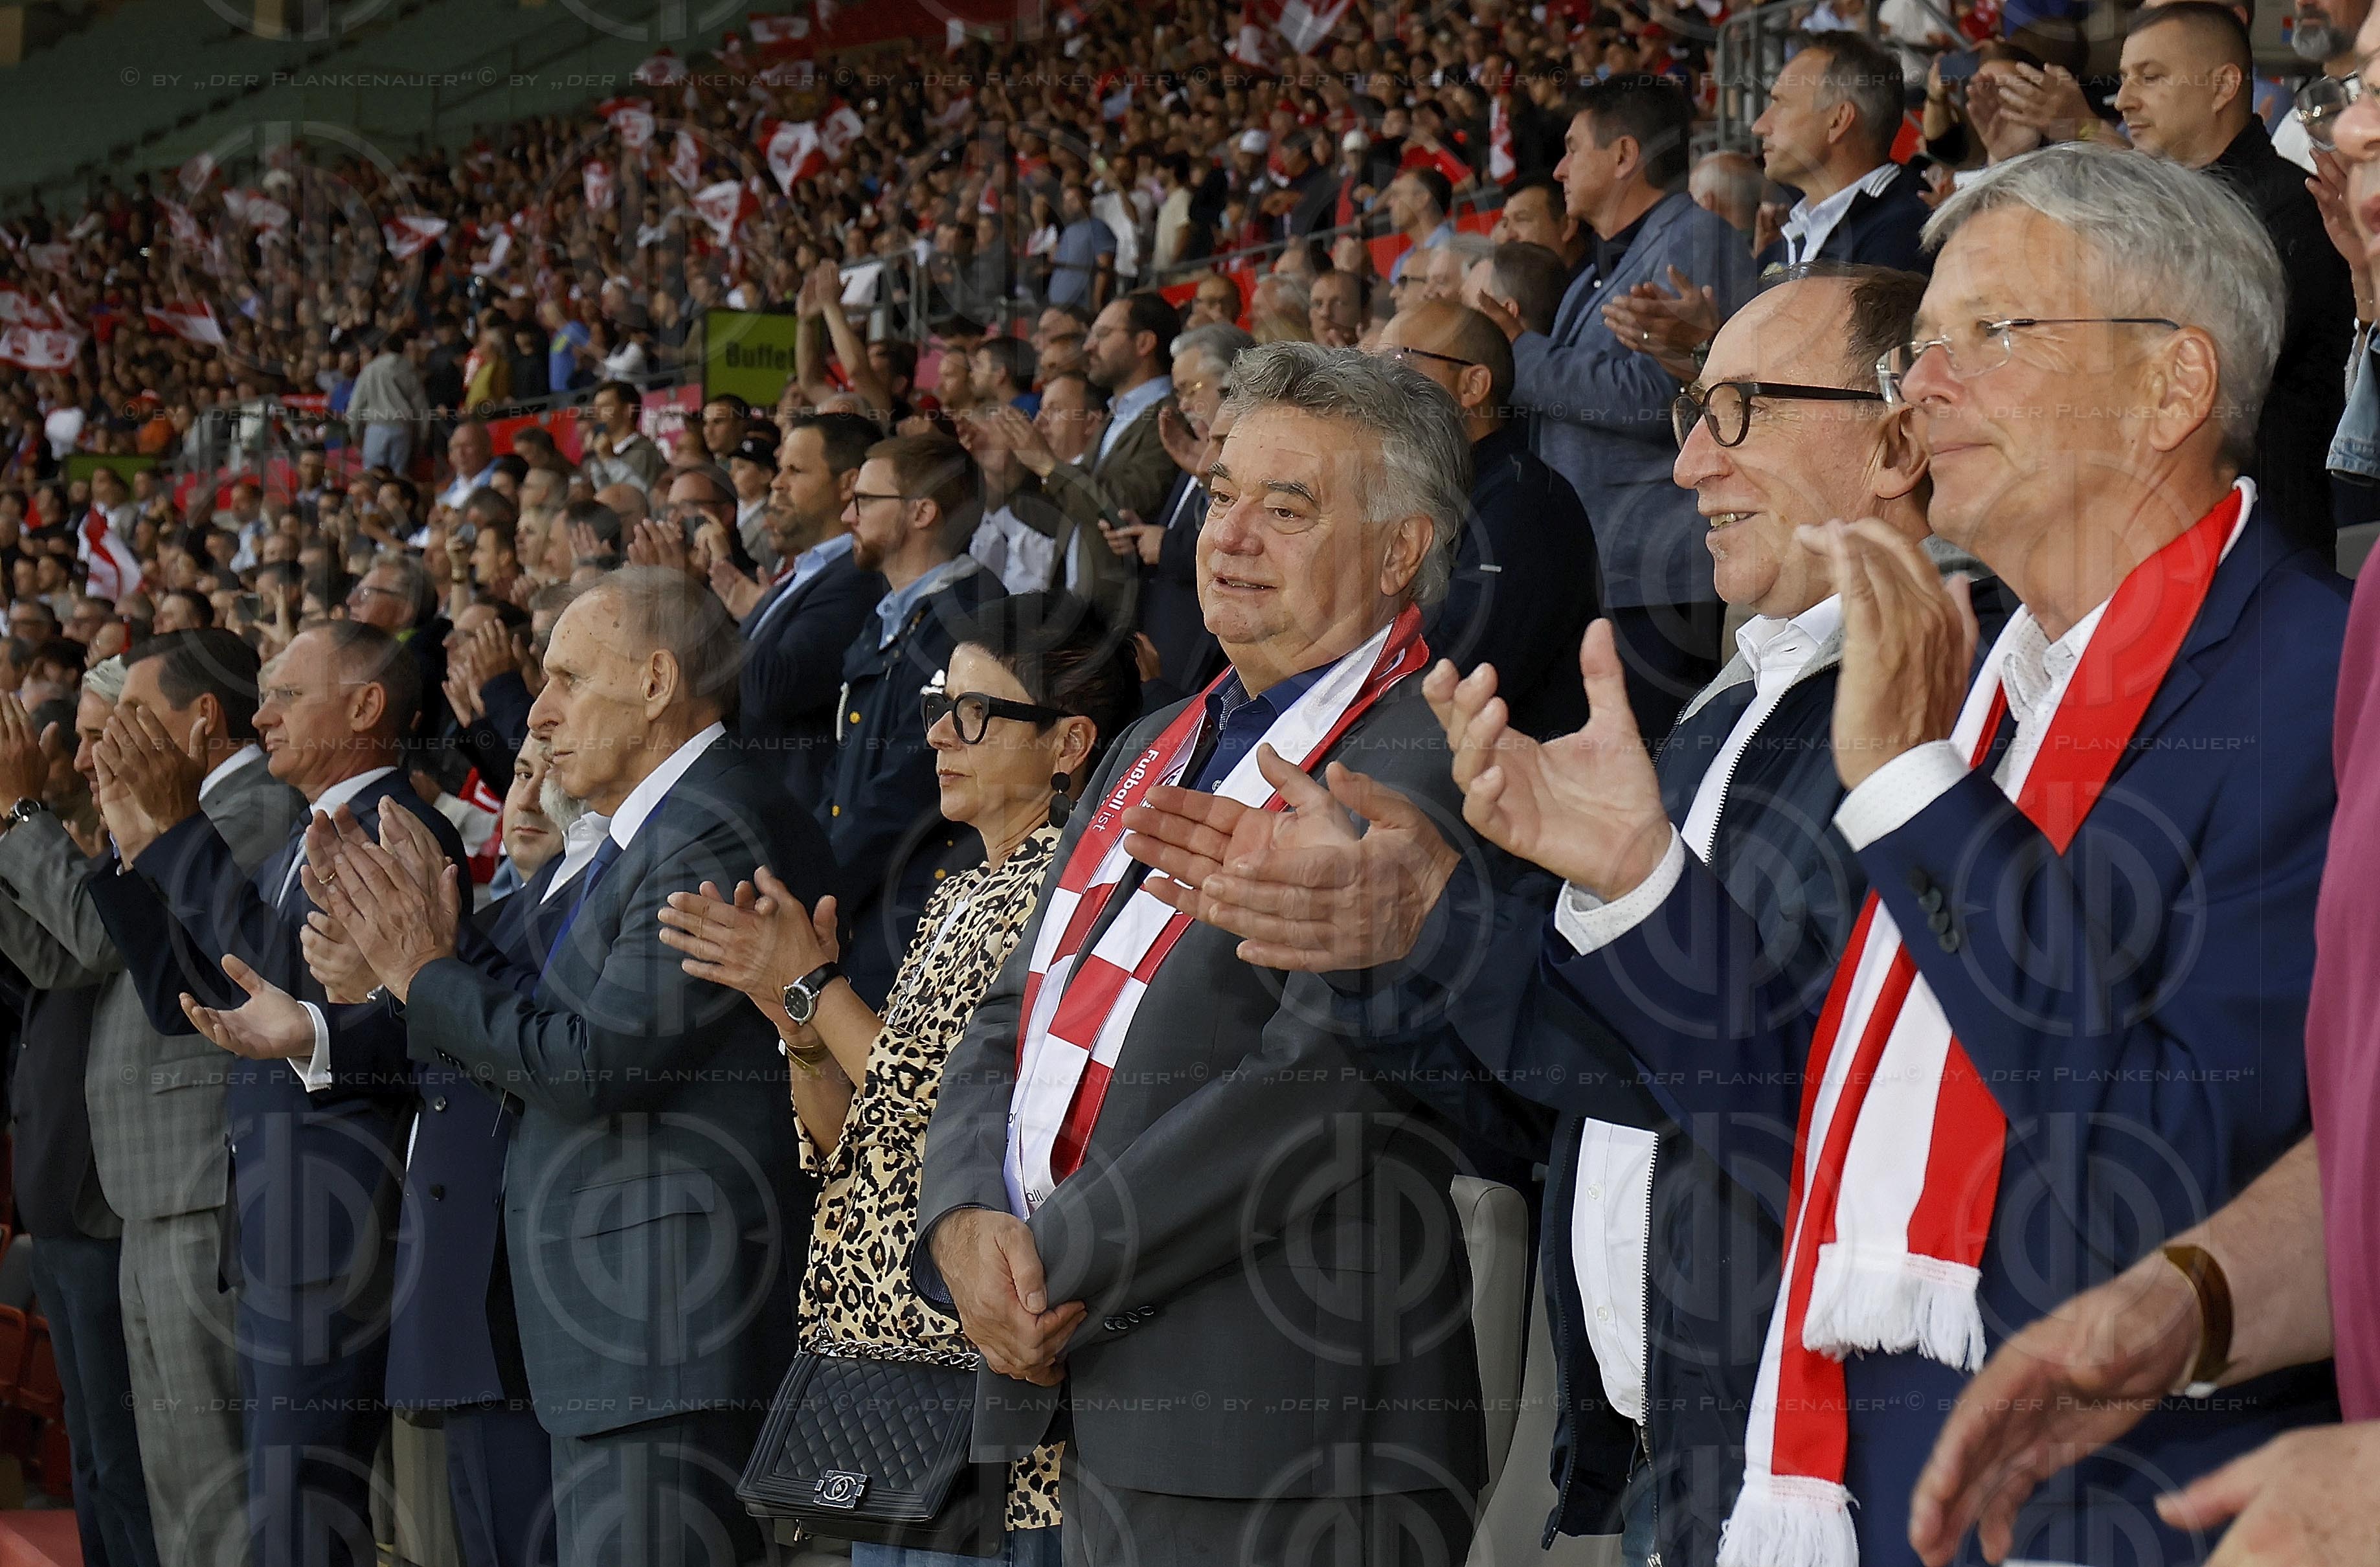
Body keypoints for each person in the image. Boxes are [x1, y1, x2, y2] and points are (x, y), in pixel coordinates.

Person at [1476, 145, 2341, 1567]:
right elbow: (1800, 1143)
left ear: (2170, 390)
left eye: (1984, 336)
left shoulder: (2306, 689)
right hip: (1859, 1495)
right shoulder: (1986, 680)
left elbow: (2169, 1192)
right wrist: (1634, 880)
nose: (1919, 384)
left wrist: (1919, 795)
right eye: (1917, 346)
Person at [1123, 263, 1944, 1567]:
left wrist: (1451, 918)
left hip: (1839, 1474)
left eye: (1735, 411)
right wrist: (1393, 934)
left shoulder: (1940, 719)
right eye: (1687, 412)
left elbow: (1801, 1111)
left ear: (1898, 435)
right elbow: (1575, 1085)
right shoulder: (1721, 714)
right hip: (1655, 1469)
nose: (1684, 469)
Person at [916, 345, 1529, 1567]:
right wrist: (962, 1218)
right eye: (1222, 495)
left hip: (1292, 1434)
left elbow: (1324, 1082)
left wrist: (1039, 1269)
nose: (1229, 535)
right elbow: (1014, 1005)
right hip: (1107, 1400)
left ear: (1401, 549)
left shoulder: (1433, 757)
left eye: (1286, 509)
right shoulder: (1161, 732)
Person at [300, 568, 830, 1567]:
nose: (537, 715)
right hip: (618, 1338)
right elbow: (553, 1029)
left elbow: (590, 1066)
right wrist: (425, 963)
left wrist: (424, 970)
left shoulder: (708, 827)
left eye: (567, 679)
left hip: (661, 1337)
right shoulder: (658, 833)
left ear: (657, 682)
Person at [657, 592, 1140, 1567]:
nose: (938, 734)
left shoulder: (1078, 892)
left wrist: (812, 983)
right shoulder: (960, 887)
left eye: (974, 713)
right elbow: (856, 1139)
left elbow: (965, 1113)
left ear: (1070, 742)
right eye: (937, 704)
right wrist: (796, 1025)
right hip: (882, 1366)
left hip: (980, 1370)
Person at [85, 621, 469, 1567]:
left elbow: (277, 991)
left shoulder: (392, 828)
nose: (263, 717)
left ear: (367, 706)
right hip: (286, 1226)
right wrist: (137, 853)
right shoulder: (309, 833)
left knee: (304, 1515)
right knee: (283, 1514)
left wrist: (181, 833)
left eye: (287, 696)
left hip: (339, 1226)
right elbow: (206, 1001)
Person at [0, 638, 294, 1567]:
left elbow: (90, 939)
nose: (104, 748)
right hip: (145, 1183)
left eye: (129, 717)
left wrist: (19, 814)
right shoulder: (182, 814)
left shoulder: (252, 809)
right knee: (163, 1480)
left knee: (209, 1480)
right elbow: (55, 958)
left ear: (202, 716)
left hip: (201, 1174)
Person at [1479, 74, 1759, 737]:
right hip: (1611, 570)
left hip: (1659, 574)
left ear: (1624, 154)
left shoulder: (1692, 238)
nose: (1558, 167)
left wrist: (1519, 351)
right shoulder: (1598, 268)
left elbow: (1657, 399)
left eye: (1572, 147)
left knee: (1658, 776)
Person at [2115, 1, 2354, 554]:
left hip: (2257, 559)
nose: (2125, 99)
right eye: (2126, 79)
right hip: (2166, 543)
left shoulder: (2293, 213)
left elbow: (2184, 376)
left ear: (2224, 85)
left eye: (2150, 78)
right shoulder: (2155, 210)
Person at [824, 433, 1006, 1006]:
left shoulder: (970, 620)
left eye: (865, 500)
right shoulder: (892, 616)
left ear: (921, 512)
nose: (847, 514)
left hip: (910, 921)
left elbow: (909, 786)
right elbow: (846, 766)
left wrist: (819, 888)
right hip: (864, 906)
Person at [1377, 300, 1604, 738]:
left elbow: (1460, 676)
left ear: (1473, 385)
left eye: (1399, 363)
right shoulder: (1429, 491)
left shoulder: (1528, 503)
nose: (1380, 387)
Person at [983, 293, 1182, 625]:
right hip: (1081, 610)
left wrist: (1048, 466)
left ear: (1144, 342)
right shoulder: (1117, 415)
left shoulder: (1171, 416)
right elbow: (1072, 509)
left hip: (1127, 620)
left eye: (1103, 335)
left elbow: (1119, 506)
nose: (1089, 346)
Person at [737, 411, 887, 811]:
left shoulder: (858, 580)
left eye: (795, 470)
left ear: (848, 484)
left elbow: (771, 691)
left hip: (789, 813)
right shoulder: (801, 571)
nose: (776, 482)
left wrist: (693, 602)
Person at [1103, 322, 1248, 703]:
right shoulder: (1192, 449)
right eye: (1177, 392)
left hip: (1200, 662)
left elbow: (1232, 548)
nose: (1182, 404)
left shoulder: (1248, 458)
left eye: (1189, 390)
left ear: (1232, 383)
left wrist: (1166, 546)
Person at [1752, 33, 1935, 272]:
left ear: (1838, 121)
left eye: (1781, 104)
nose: (1759, 126)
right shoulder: (1782, 247)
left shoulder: (1904, 233)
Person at [350, 330, 431, 476]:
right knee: (398, 480)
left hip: (377, 427)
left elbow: (356, 405)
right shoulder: (409, 369)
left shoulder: (370, 369)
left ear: (383, 348)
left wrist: (354, 433)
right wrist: (422, 438)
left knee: (373, 479)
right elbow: (421, 407)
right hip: (403, 429)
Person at [580, 379, 666, 495]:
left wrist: (609, 460)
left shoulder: (646, 452)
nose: (597, 414)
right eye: (596, 408)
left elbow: (636, 497)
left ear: (628, 410)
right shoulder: (598, 453)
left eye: (605, 407)